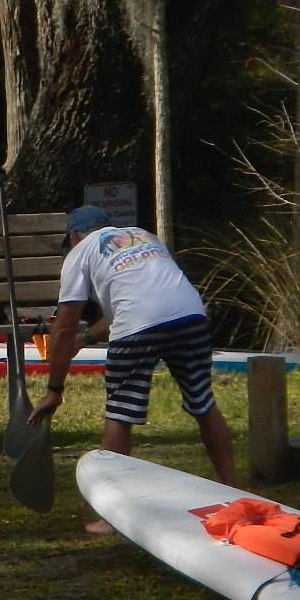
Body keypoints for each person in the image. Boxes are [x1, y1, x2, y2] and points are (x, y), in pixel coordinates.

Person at [28, 204, 237, 533]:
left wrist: (54, 390)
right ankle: (236, 494)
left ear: (73, 235)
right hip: (191, 314)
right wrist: (88, 336)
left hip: (140, 324)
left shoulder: (79, 252)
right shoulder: (142, 235)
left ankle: (111, 515)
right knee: (203, 402)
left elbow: (63, 329)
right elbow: (141, 302)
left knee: (120, 415)